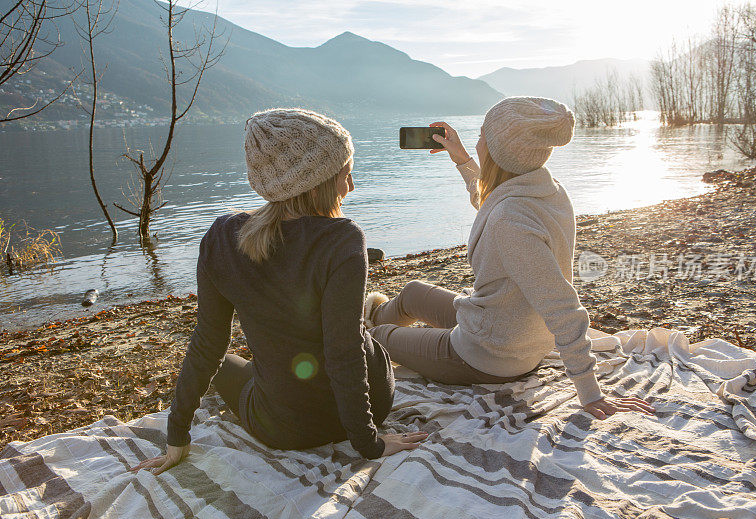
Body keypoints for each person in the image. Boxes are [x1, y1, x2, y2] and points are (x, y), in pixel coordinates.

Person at [132, 109, 427, 475]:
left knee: (224, 362)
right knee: (355, 337)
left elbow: (208, 342)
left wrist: (176, 436)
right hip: (373, 403)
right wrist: (369, 443)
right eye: (345, 175)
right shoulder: (343, 239)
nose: (350, 187)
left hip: (285, 428)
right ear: (316, 182)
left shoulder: (223, 239)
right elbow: (344, 351)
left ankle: (276, 374)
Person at [364, 97, 654, 420]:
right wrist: (460, 158)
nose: (475, 142)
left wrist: (590, 392)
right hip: (511, 331)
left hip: (489, 355)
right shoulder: (545, 190)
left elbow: (562, 305)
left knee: (377, 340)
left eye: (481, 135)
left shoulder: (509, 219)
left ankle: (360, 331)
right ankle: (369, 316)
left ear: (500, 151)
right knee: (413, 292)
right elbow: (492, 201)